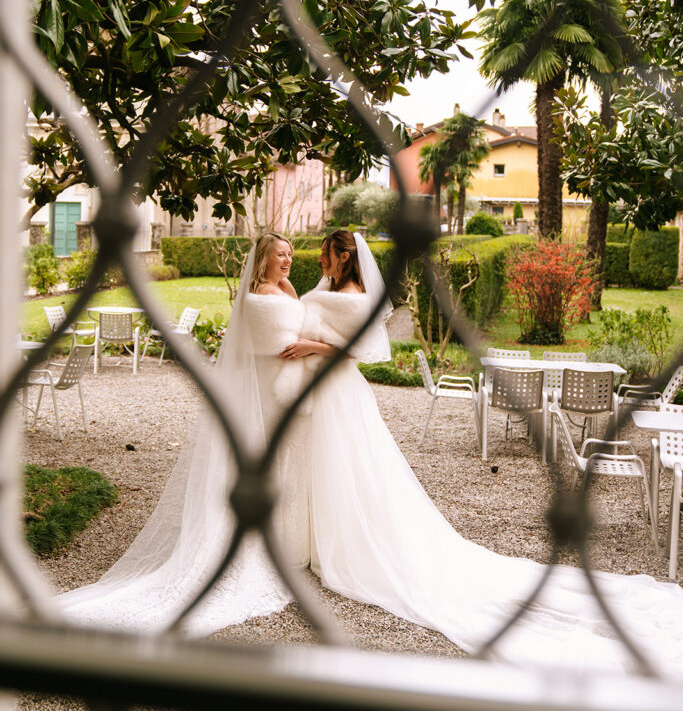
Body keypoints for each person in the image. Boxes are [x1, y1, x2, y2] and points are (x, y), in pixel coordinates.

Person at [56, 230, 683, 679]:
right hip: (311, 395)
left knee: (338, 469)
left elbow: (360, 351)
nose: (303, 258)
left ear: (340, 255)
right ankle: (304, 540)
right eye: (284, 253)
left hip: (331, 392)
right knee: (310, 468)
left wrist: (315, 349)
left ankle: (328, 543)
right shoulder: (314, 288)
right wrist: (304, 339)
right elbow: (289, 334)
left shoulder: (343, 295)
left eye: (320, 251)